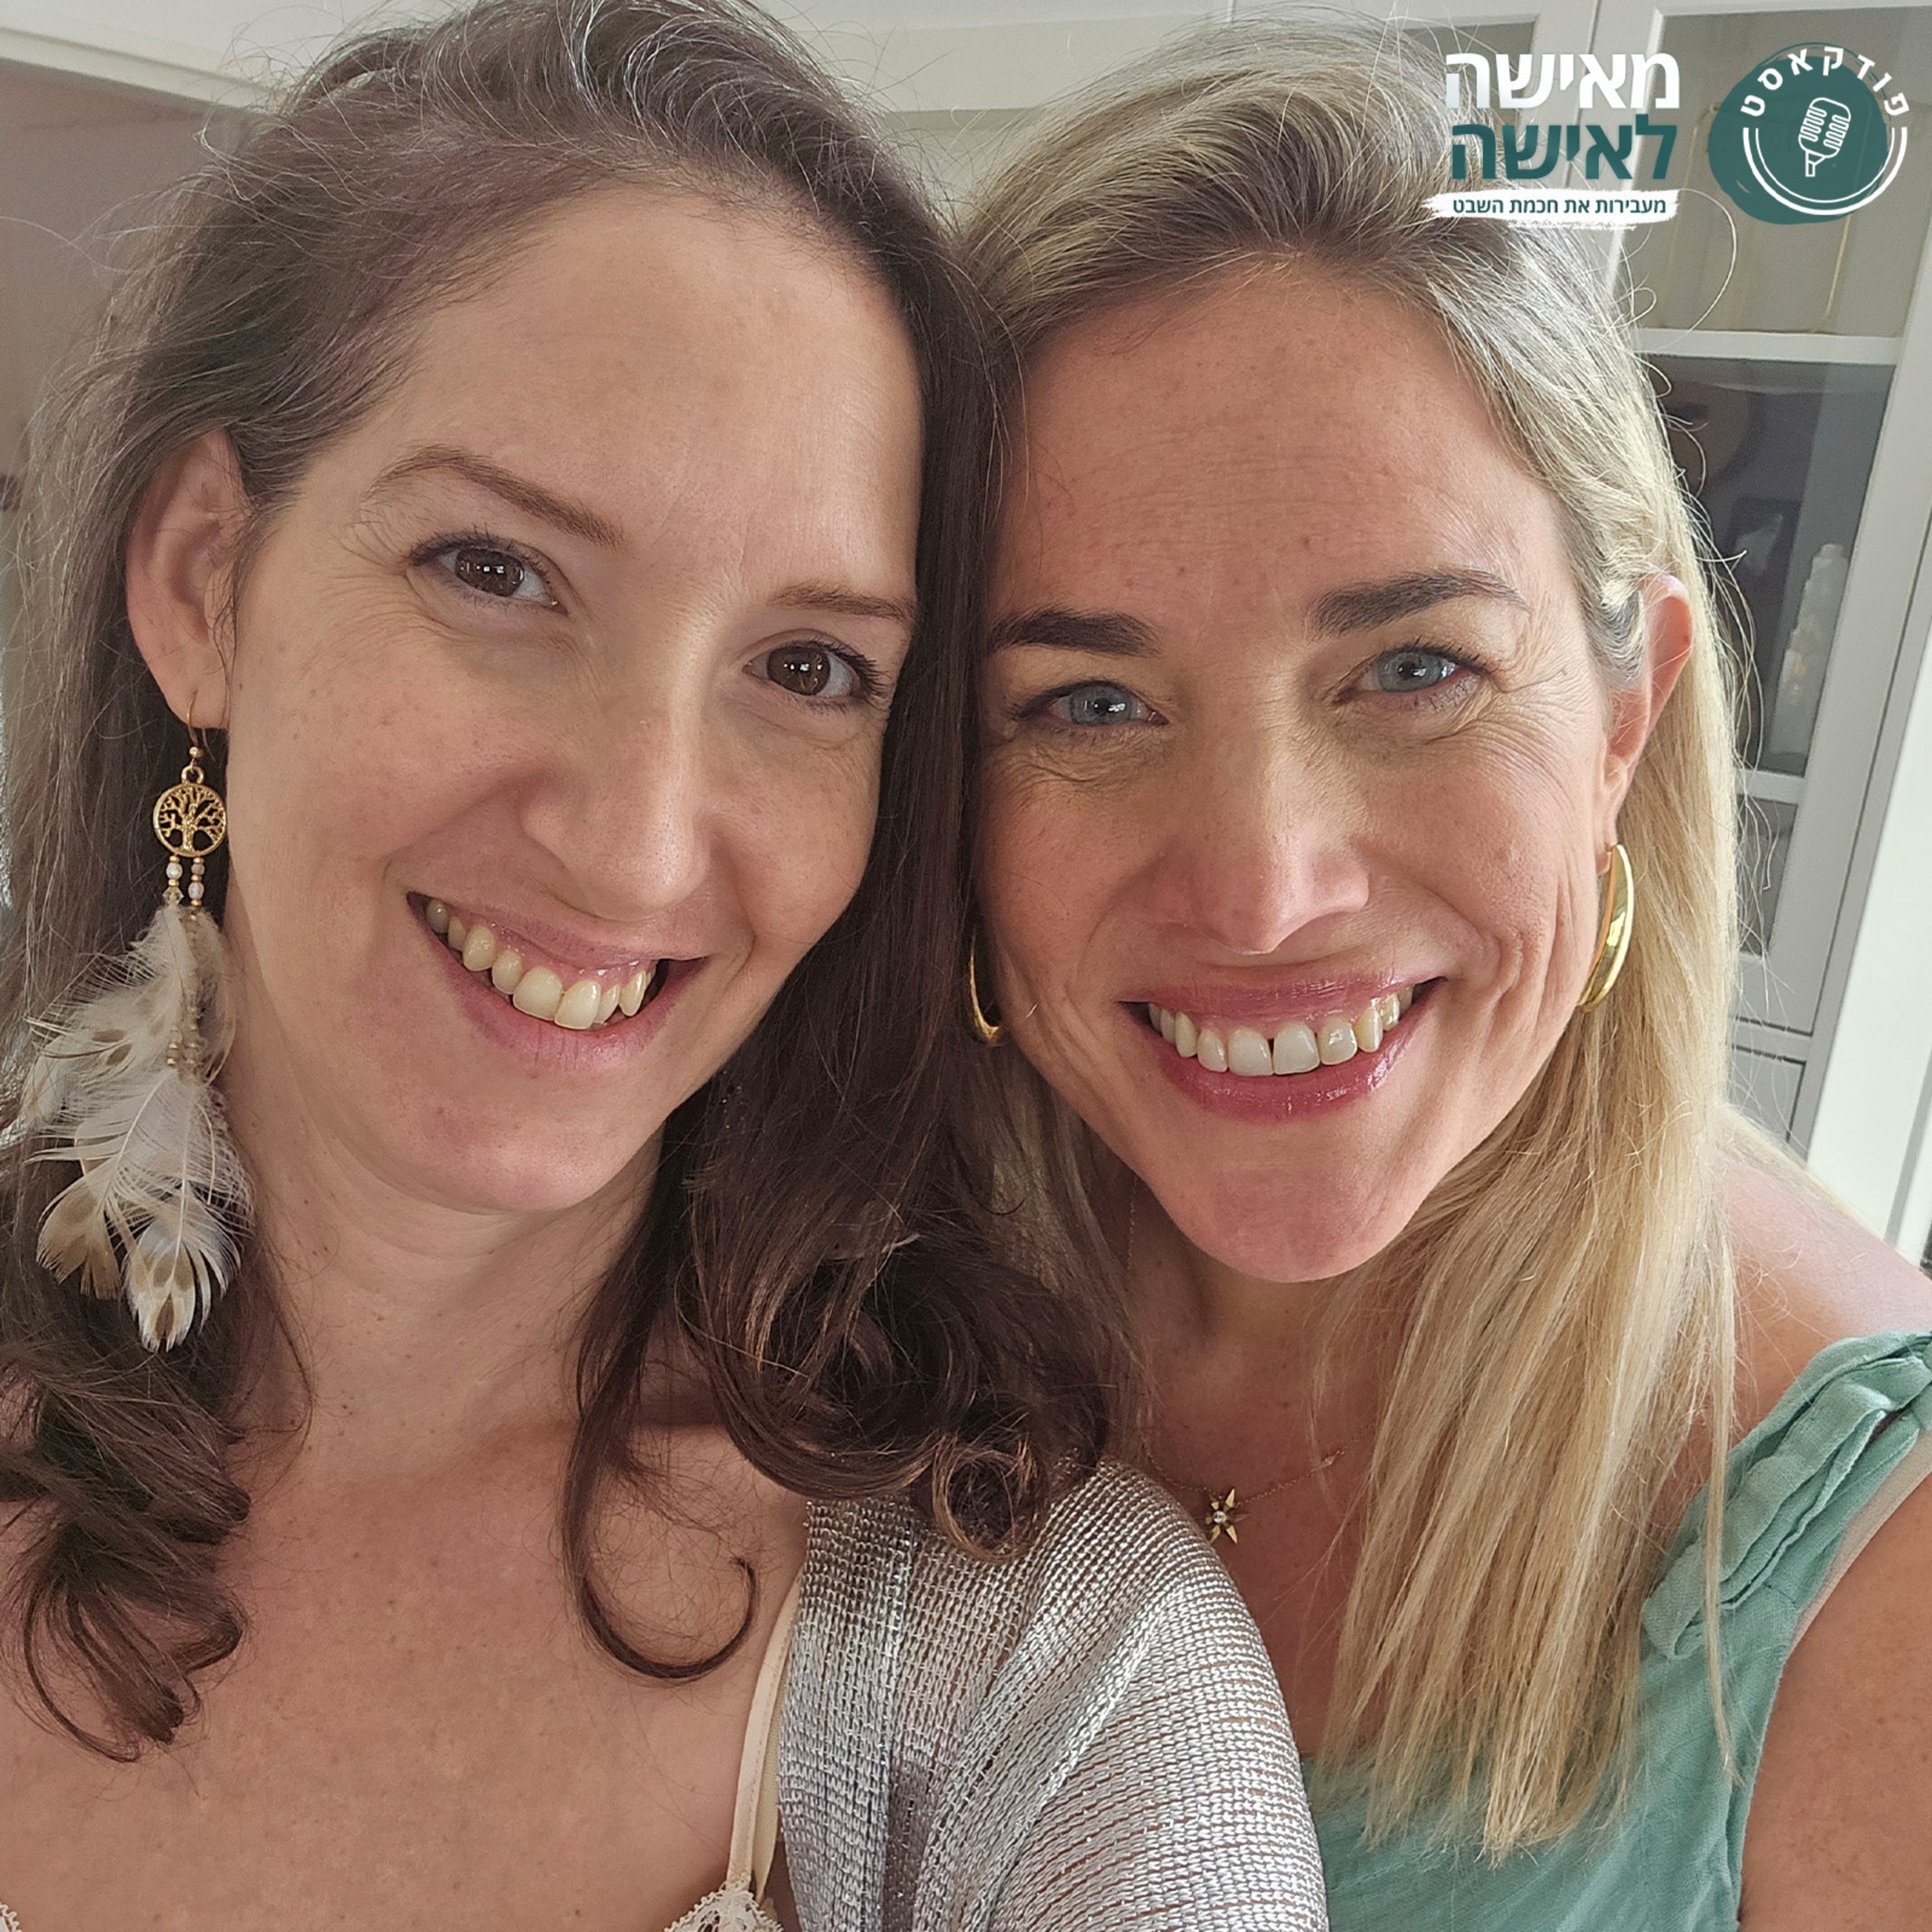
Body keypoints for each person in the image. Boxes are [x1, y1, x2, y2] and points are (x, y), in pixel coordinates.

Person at [0, 5, 1328, 1927]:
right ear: (206, 579)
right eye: (497, 571)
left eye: (807, 668)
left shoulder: (1055, 1686)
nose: (634, 840)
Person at [956, 18, 1932, 1930]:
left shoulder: (1872, 1584)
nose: (1264, 891)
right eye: (1087, 700)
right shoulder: (815, 1307)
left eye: (1415, 671)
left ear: (1626, 718)